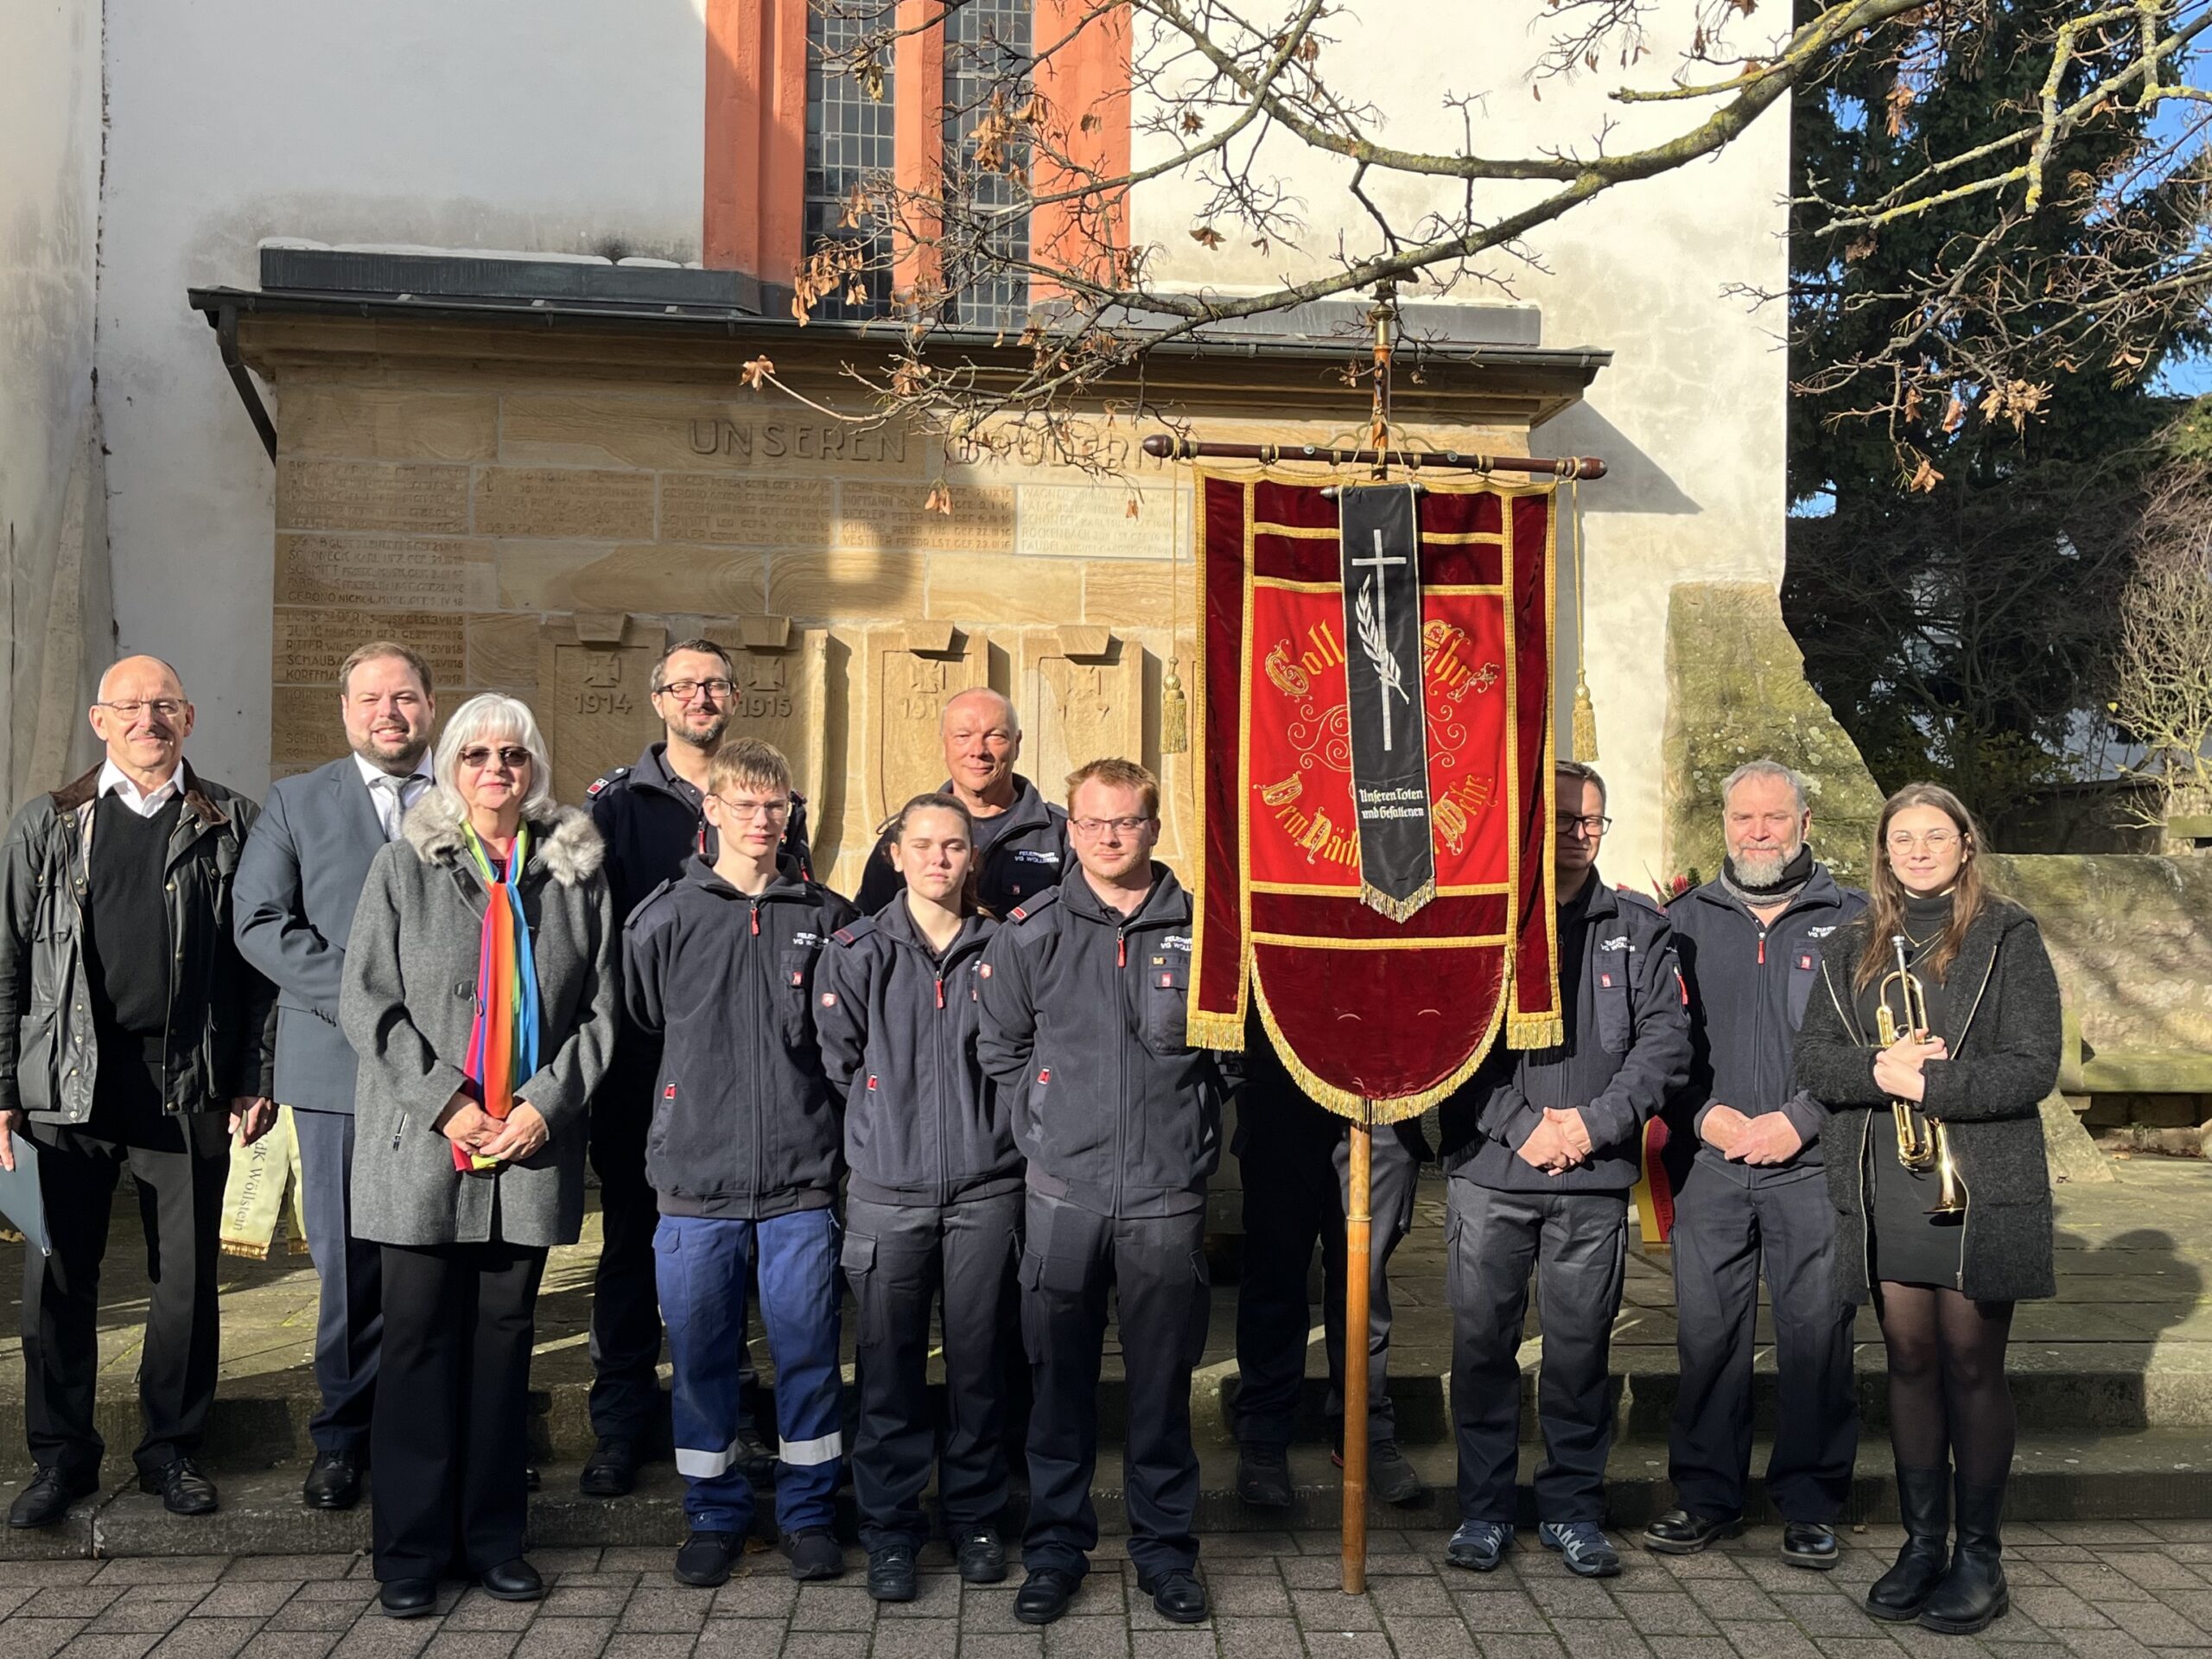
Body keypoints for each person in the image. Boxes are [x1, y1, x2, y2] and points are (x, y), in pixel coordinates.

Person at [340, 695, 618, 1617]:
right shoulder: (403, 867)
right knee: (416, 1345)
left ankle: (494, 1538)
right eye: (475, 756)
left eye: (512, 755)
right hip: (424, 1150)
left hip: (529, 1151)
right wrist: (446, 1104)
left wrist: (543, 1106)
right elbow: (367, 1003)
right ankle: (410, 1552)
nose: (494, 769)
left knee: (503, 1348)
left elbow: (605, 1012)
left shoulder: (577, 876)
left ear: (533, 768)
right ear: (450, 769)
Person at [0, 655, 276, 1528]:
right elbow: (6, 958)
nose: (147, 719)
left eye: (164, 706)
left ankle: (171, 1450)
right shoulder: (47, 823)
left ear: (189, 720)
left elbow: (259, 969)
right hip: (61, 1084)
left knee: (186, 1281)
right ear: (99, 720)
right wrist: (2, 1085)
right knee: (55, 1277)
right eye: (130, 707)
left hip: (185, 1076)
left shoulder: (233, 820)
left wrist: (253, 1076)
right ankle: (60, 1458)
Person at [1794, 784, 2060, 1637]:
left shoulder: (2007, 936)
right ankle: (1921, 1543)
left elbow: (2032, 1066)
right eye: (1899, 837)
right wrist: (1879, 1069)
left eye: (1932, 835)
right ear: (1882, 851)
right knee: (1907, 1361)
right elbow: (1814, 1061)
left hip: (1977, 1183)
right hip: (1886, 1184)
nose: (1915, 849)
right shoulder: (1849, 942)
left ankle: (1979, 1557)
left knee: (1971, 1364)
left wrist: (1930, 1082)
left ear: (1964, 844)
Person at [977, 758, 1222, 1629]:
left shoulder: (1205, 929)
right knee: (1060, 1388)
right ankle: (1053, 1552)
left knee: (1160, 1388)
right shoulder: (1030, 932)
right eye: (1092, 822)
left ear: (1154, 829)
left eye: (1126, 821)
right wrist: (1048, 1122)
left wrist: (1188, 1127)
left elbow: (1231, 1055)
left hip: (1165, 1196)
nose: (1109, 836)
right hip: (1065, 1196)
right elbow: (1001, 1048)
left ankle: (1164, 1553)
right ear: (1068, 830)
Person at [1437, 760, 1689, 1580]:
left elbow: (1663, 1049)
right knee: (1482, 1351)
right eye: (1566, 819)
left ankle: (1573, 1509)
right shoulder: (1481, 922)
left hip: (1590, 1179)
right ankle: (1483, 1509)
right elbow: (1449, 1042)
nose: (1579, 835)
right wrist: (1519, 1127)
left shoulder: (1641, 929)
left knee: (1580, 1356)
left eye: (1593, 822)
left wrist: (1592, 1125)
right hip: (1492, 1175)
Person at [623, 738, 857, 1589]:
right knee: (701, 1360)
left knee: (806, 1354)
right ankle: (714, 1517)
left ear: (790, 809)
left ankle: (807, 1514)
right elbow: (644, 1021)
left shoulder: (827, 919)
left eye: (776, 804)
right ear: (710, 811)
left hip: (799, 1182)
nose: (762, 820)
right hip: (695, 1186)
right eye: (744, 804)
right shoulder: (661, 919)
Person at [581, 639, 806, 1496]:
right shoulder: (614, 808)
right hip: (645, 1071)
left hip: (745, 1077)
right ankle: (622, 1421)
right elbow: (601, 945)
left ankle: (742, 1412)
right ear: (658, 699)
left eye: (715, 683)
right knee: (634, 1249)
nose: (700, 696)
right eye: (684, 684)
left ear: (736, 696)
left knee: (741, 1258)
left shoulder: (774, 800)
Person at [1644, 760, 1865, 1567]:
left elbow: (1870, 1045)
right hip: (1712, 1163)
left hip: (1812, 1163)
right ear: (1725, 826)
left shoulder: (1855, 921)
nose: (1759, 832)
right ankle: (1706, 1497)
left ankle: (1810, 1503)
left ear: (1806, 824)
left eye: (1775, 818)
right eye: (1744, 818)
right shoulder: (1680, 922)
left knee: (1817, 1337)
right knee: (1707, 1336)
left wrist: (1800, 1119)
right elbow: (1657, 1048)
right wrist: (1701, 1114)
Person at [234, 641, 438, 1511]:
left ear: (430, 705)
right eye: (370, 700)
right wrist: (363, 996)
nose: (388, 712)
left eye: (404, 697)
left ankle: (437, 1426)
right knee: (348, 1264)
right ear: (345, 711)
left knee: (440, 1255)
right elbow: (259, 923)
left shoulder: (472, 795)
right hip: (335, 1067)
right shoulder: (295, 802)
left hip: (452, 1068)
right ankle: (344, 1439)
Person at [817, 793, 1021, 1602]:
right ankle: (892, 1529)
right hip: (887, 1195)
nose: (940, 859)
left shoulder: (1005, 948)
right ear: (896, 855)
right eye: (924, 845)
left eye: (955, 846)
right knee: (889, 1368)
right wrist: (885, 1128)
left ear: (973, 857)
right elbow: (839, 1063)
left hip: (985, 1191)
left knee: (979, 1367)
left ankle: (974, 1516)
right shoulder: (858, 951)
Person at [1232, 1019, 1428, 1510]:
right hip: (1282, 1066)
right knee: (1275, 1267)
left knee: (1363, 1278)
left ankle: (1364, 1427)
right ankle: (1264, 1432)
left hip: (1382, 1079)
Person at [855, 688, 1068, 917]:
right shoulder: (905, 834)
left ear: (1017, 743)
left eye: (995, 736)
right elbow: (870, 929)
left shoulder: (1061, 835)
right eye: (963, 737)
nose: (978, 751)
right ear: (944, 744)